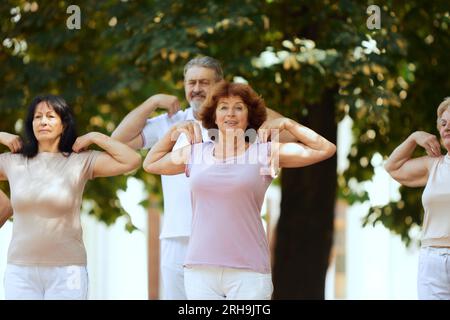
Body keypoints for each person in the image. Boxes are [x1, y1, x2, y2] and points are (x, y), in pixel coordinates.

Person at [112, 56, 291, 299]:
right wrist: (152, 102)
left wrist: (245, 101)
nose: (196, 89)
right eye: (191, 82)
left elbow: (290, 135)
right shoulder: (172, 122)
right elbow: (117, 142)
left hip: (231, 244)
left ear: (219, 85)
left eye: (204, 83)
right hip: (177, 237)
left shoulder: (240, 125)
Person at [143, 81, 336, 299]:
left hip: (249, 272)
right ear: (213, 116)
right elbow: (151, 163)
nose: (231, 113)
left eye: (239, 107)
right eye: (223, 107)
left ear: (249, 116)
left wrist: (289, 124)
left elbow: (325, 148)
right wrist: (174, 131)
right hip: (200, 270)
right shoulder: (195, 153)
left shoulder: (264, 152)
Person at [0, 95, 141, 300]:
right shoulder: (13, 161)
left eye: (50, 116)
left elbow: (132, 160)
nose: (43, 121)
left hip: (68, 272)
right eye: (37, 117)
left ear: (64, 124)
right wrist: (1, 135)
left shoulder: (80, 161)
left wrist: (95, 137)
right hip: (20, 272)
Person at [384, 97, 450, 300]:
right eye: (443, 123)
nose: (446, 128)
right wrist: (414, 137)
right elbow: (392, 167)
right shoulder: (434, 165)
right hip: (432, 261)